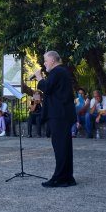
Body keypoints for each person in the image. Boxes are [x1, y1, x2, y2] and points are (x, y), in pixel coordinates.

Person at [35, 51, 76, 188]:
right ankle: (67, 177)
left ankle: (60, 178)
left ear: (52, 60)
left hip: (59, 115)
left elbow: (46, 87)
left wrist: (39, 78)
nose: (44, 63)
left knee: (60, 147)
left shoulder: (57, 72)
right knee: (64, 146)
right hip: (62, 114)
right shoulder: (62, 72)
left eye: (45, 60)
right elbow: (52, 91)